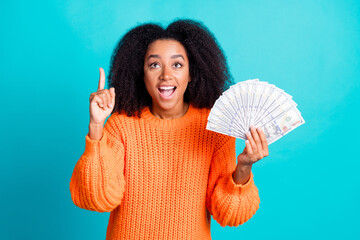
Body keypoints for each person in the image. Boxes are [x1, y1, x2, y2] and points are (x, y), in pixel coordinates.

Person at [70, 19, 269, 240]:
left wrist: (244, 166)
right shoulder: (121, 125)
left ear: (191, 73)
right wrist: (97, 126)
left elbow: (229, 214)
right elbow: (96, 197)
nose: (166, 75)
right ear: (142, 73)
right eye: (154, 65)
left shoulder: (214, 129)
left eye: (177, 65)